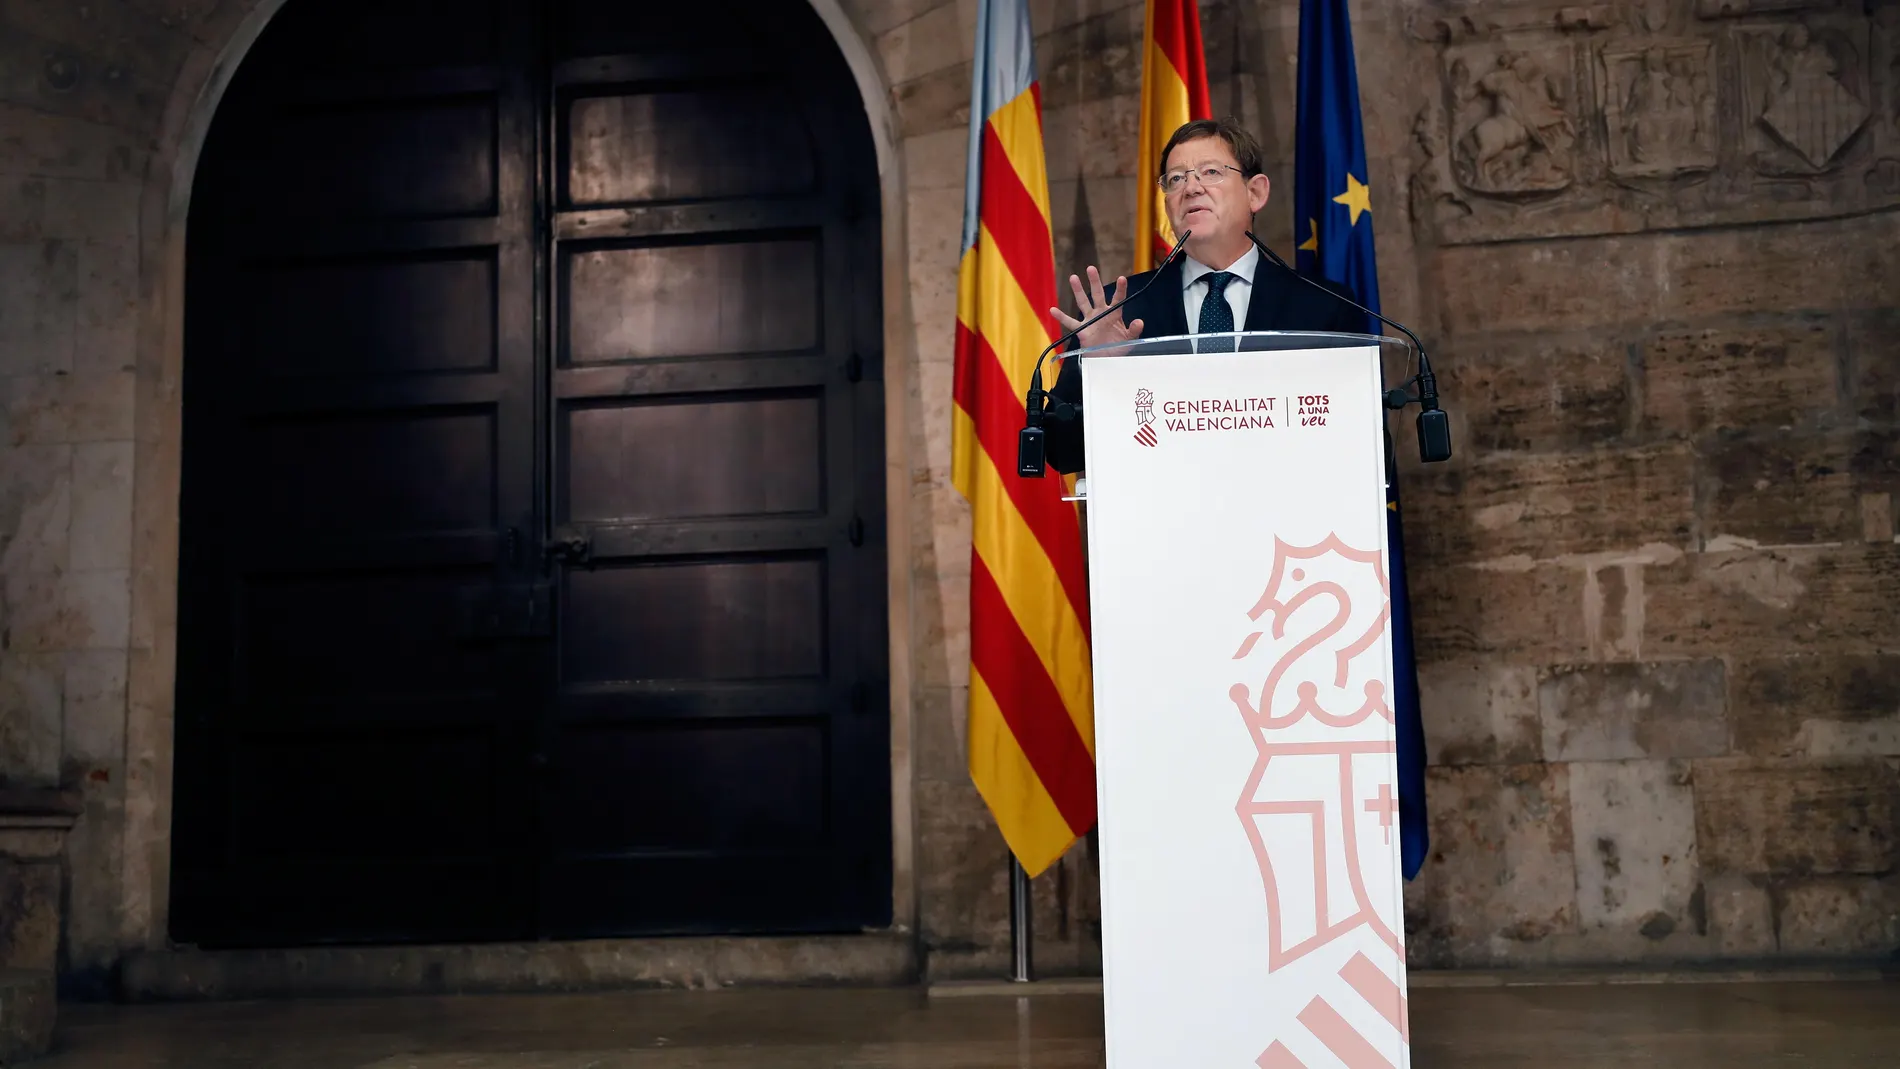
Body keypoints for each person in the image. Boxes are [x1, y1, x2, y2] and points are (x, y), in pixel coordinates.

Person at [1041, 118, 1367, 474]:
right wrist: (1097, 366)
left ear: (1255, 192)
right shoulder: (1119, 308)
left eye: (1210, 171)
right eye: (1176, 179)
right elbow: (1062, 451)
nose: (1191, 188)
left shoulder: (1323, 306)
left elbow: (1366, 447)